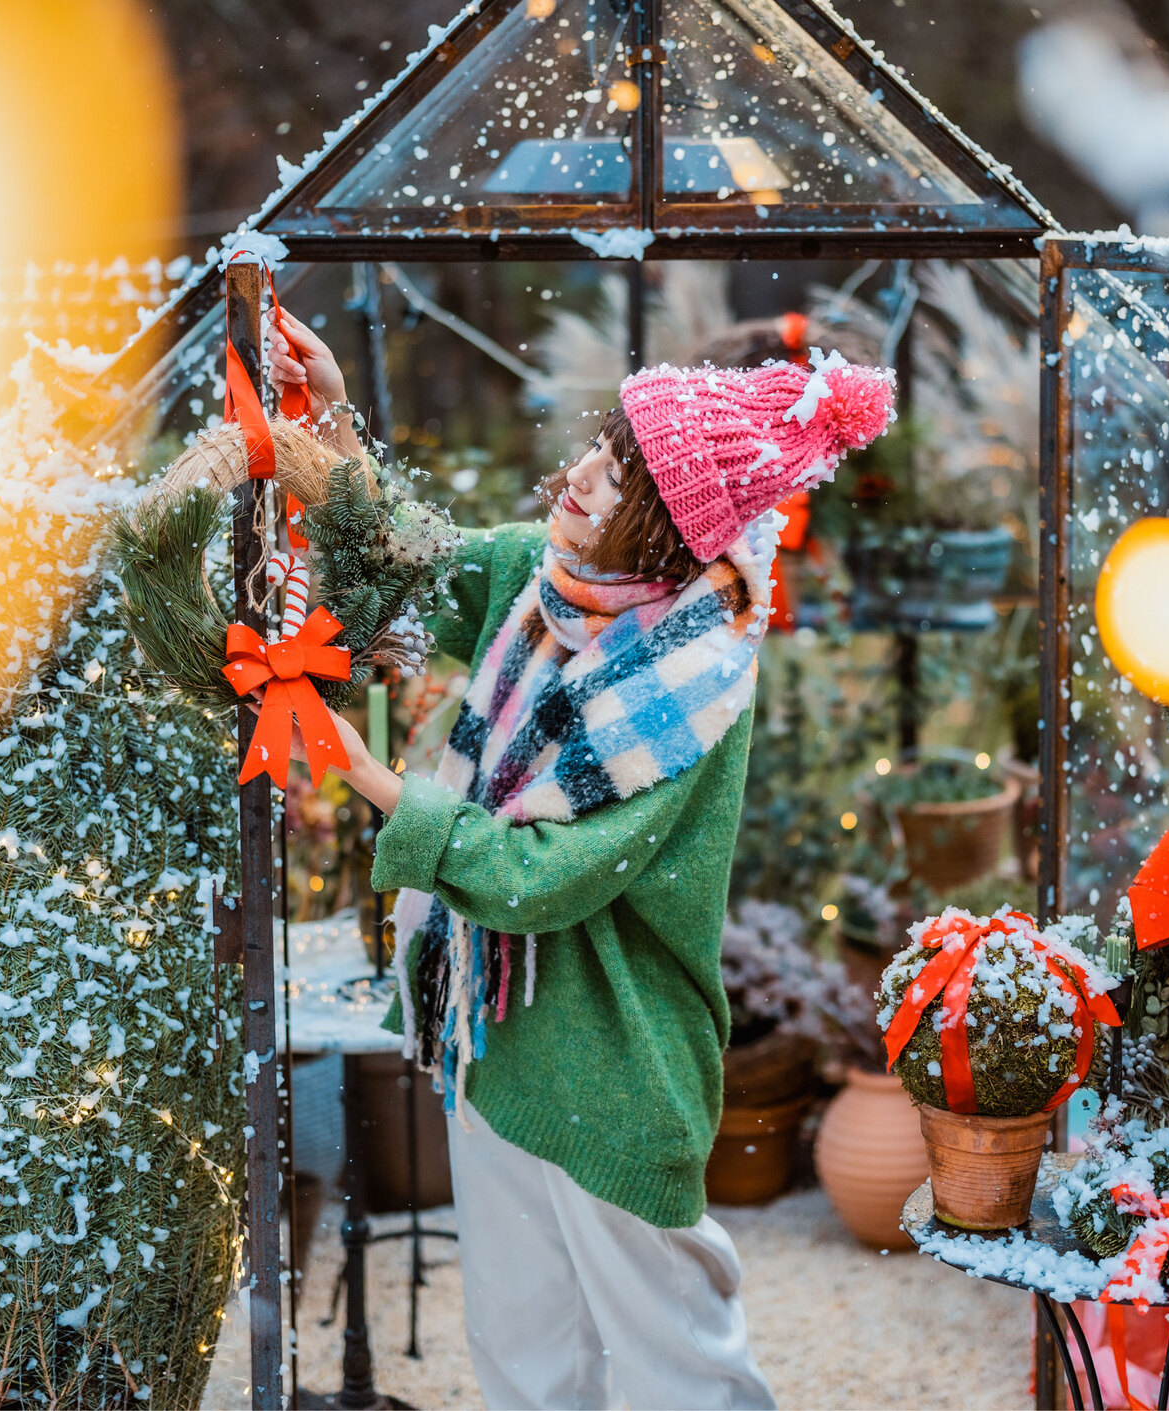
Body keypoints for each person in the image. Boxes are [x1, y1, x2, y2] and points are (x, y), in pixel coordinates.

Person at [267, 315, 895, 1411]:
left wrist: (375, 783)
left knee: (680, 1372)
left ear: (672, 535)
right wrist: (326, 415)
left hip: (616, 1069)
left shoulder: (692, 688)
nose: (587, 479)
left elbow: (545, 875)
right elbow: (411, 560)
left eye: (626, 481)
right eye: (605, 451)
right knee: (523, 1360)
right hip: (496, 1041)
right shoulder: (543, 583)